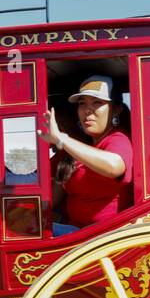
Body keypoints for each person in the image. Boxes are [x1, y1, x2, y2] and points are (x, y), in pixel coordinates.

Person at [38, 76, 133, 235]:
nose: (87, 110)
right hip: (75, 229)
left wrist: (63, 139)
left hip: (98, 237)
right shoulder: (82, 147)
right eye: (82, 103)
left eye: (97, 102)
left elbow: (114, 166)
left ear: (116, 110)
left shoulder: (118, 138)